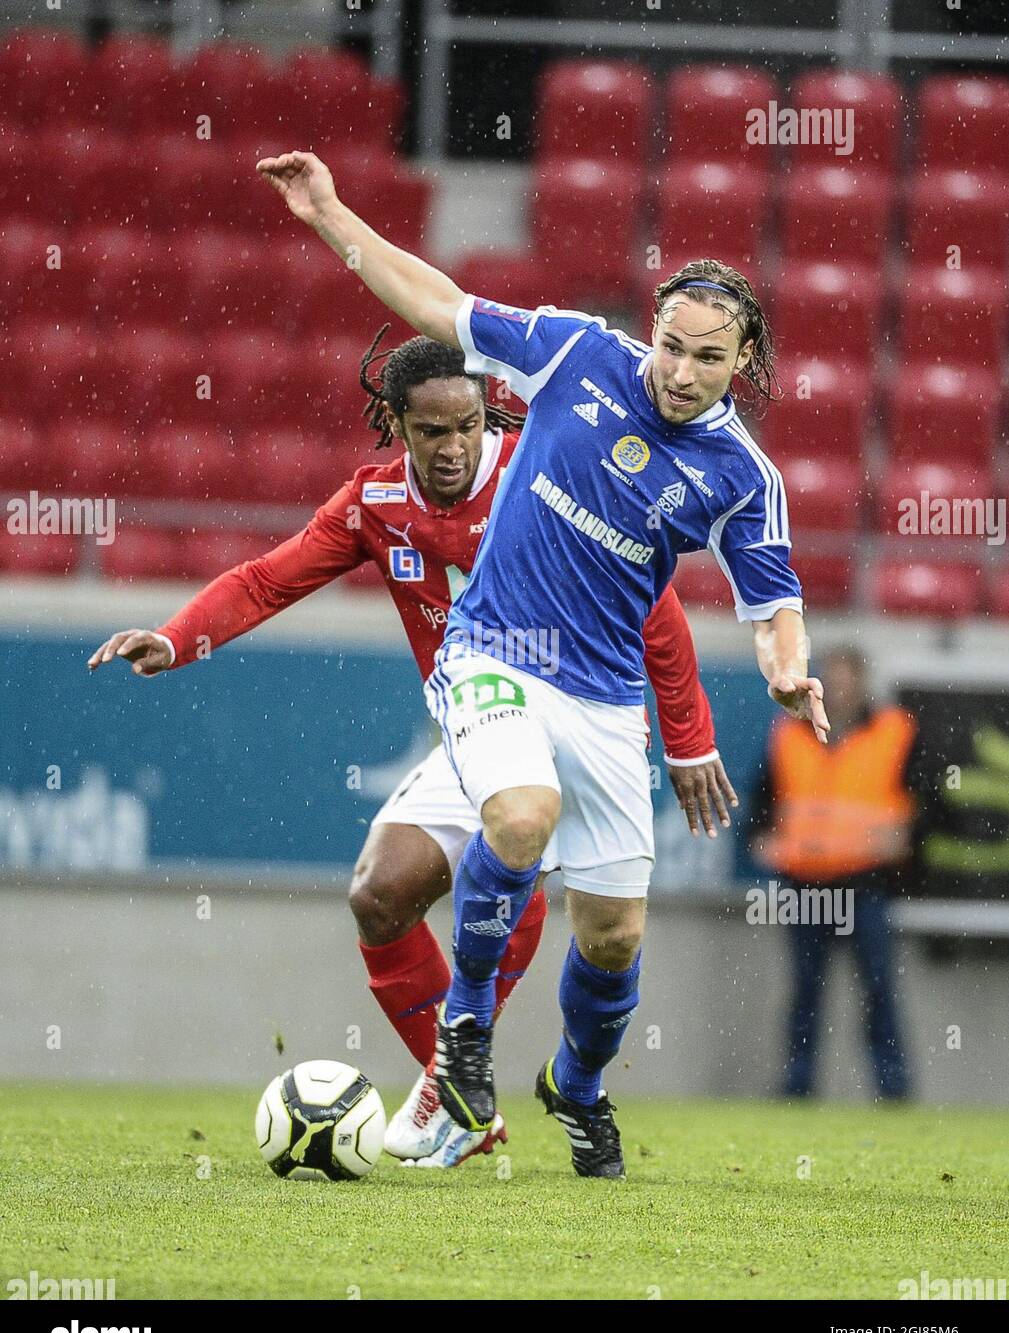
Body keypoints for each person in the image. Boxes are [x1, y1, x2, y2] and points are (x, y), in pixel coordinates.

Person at [252, 148, 829, 1178]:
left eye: (706, 358)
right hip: (496, 652)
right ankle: (463, 1042)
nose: (679, 371)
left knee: (609, 941)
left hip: (606, 701)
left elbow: (772, 601)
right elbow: (436, 301)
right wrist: (331, 215)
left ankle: (577, 1084)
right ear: (650, 331)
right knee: (518, 818)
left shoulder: (742, 475)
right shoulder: (573, 354)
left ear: (740, 362)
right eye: (670, 345)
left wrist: (789, 668)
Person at [87, 329, 737, 1167]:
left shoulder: (543, 474)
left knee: (599, 933)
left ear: (487, 414)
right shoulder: (373, 503)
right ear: (396, 423)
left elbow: (658, 614)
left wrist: (688, 740)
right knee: (379, 895)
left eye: (467, 425)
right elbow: (264, 579)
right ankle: (458, 1089)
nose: (453, 446)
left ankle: (551, 1084)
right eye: (432, 430)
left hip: (581, 716)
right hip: (482, 718)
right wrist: (177, 638)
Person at [749, 646, 916, 1100]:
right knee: (805, 991)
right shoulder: (788, 733)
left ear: (863, 682)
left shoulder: (893, 731)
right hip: (802, 883)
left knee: (878, 989)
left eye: (847, 679)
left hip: (867, 883)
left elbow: (926, 801)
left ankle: (894, 1088)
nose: (839, 688)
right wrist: (760, 839)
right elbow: (761, 801)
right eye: (832, 679)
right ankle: (797, 1087)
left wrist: (906, 838)